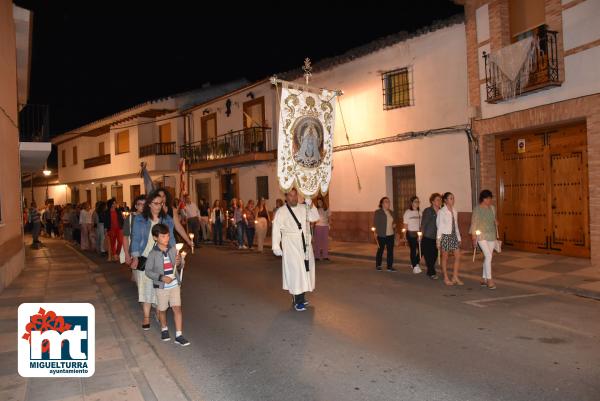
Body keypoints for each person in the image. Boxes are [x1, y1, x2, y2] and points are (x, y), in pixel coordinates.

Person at [130, 190, 176, 331]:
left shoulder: (166, 219)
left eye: (161, 203)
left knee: (160, 289)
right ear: (149, 204)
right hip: (145, 258)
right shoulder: (140, 220)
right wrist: (135, 257)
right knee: (145, 289)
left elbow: (172, 238)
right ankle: (146, 317)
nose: (158, 206)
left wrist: (176, 255)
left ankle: (158, 312)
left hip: (161, 259)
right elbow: (136, 238)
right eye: (155, 203)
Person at [272, 188, 320, 311]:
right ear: (286, 197)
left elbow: (315, 217)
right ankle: (298, 300)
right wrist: (276, 246)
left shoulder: (303, 208)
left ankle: (300, 297)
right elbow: (276, 229)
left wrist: (311, 204)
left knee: (306, 270)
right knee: (296, 272)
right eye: (290, 196)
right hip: (291, 245)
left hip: (305, 245)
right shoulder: (281, 212)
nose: (293, 198)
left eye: (295, 195)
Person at [144, 223, 190, 346]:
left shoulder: (173, 249)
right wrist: (161, 277)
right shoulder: (153, 254)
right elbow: (148, 271)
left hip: (174, 284)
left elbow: (180, 266)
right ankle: (164, 329)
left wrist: (180, 261)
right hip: (162, 287)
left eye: (168, 236)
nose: (166, 239)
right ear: (155, 238)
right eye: (163, 236)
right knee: (163, 309)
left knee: (177, 308)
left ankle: (179, 335)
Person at [470, 189, 499, 290]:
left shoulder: (492, 208)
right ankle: (490, 280)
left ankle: (483, 278)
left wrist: (496, 221)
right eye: (488, 198)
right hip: (481, 235)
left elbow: (493, 218)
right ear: (483, 198)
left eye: (491, 198)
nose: (490, 200)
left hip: (491, 234)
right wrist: (474, 237)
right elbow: (474, 222)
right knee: (488, 255)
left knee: (488, 257)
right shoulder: (477, 209)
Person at [436, 192, 462, 286]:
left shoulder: (455, 211)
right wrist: (438, 240)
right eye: (451, 198)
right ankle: (446, 277)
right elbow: (439, 226)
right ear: (445, 200)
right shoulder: (442, 211)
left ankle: (455, 276)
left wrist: (459, 238)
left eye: (453, 198)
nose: (453, 200)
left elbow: (456, 225)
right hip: (445, 236)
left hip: (454, 236)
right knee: (445, 258)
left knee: (458, 256)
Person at [421, 193, 442, 280]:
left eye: (440, 199)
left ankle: (430, 270)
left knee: (434, 255)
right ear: (432, 201)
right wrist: (421, 234)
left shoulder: (441, 211)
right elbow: (424, 223)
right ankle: (432, 272)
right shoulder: (428, 210)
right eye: (437, 200)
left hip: (437, 237)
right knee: (428, 256)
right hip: (428, 236)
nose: (439, 201)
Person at [373, 197, 397, 272]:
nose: (388, 203)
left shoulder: (391, 212)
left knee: (390, 251)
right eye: (386, 202)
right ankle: (378, 265)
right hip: (382, 234)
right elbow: (375, 223)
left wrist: (394, 225)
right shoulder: (378, 212)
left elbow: (393, 222)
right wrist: (375, 232)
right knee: (380, 250)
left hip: (391, 234)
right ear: (382, 204)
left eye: (389, 202)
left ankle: (389, 267)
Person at [123, 195, 146, 266]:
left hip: (147, 251)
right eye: (140, 204)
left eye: (144, 204)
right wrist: (126, 254)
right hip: (134, 251)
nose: (142, 206)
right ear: (136, 206)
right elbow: (125, 237)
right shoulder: (130, 218)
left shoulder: (150, 218)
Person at [403, 196, 422, 274]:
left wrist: (420, 234)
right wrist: (404, 235)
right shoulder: (408, 212)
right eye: (415, 201)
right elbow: (405, 225)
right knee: (413, 250)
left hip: (418, 233)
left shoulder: (419, 212)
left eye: (418, 201)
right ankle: (414, 266)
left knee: (422, 249)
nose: (417, 203)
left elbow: (420, 224)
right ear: (411, 203)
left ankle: (415, 262)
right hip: (410, 233)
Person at [105, 198, 125, 263]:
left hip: (119, 228)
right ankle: (114, 255)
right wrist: (106, 229)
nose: (114, 204)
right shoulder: (107, 212)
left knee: (120, 241)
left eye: (115, 203)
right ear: (110, 204)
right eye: (113, 203)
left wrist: (123, 223)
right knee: (112, 243)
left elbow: (122, 219)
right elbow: (106, 222)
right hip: (111, 229)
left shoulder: (118, 211)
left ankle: (117, 253)